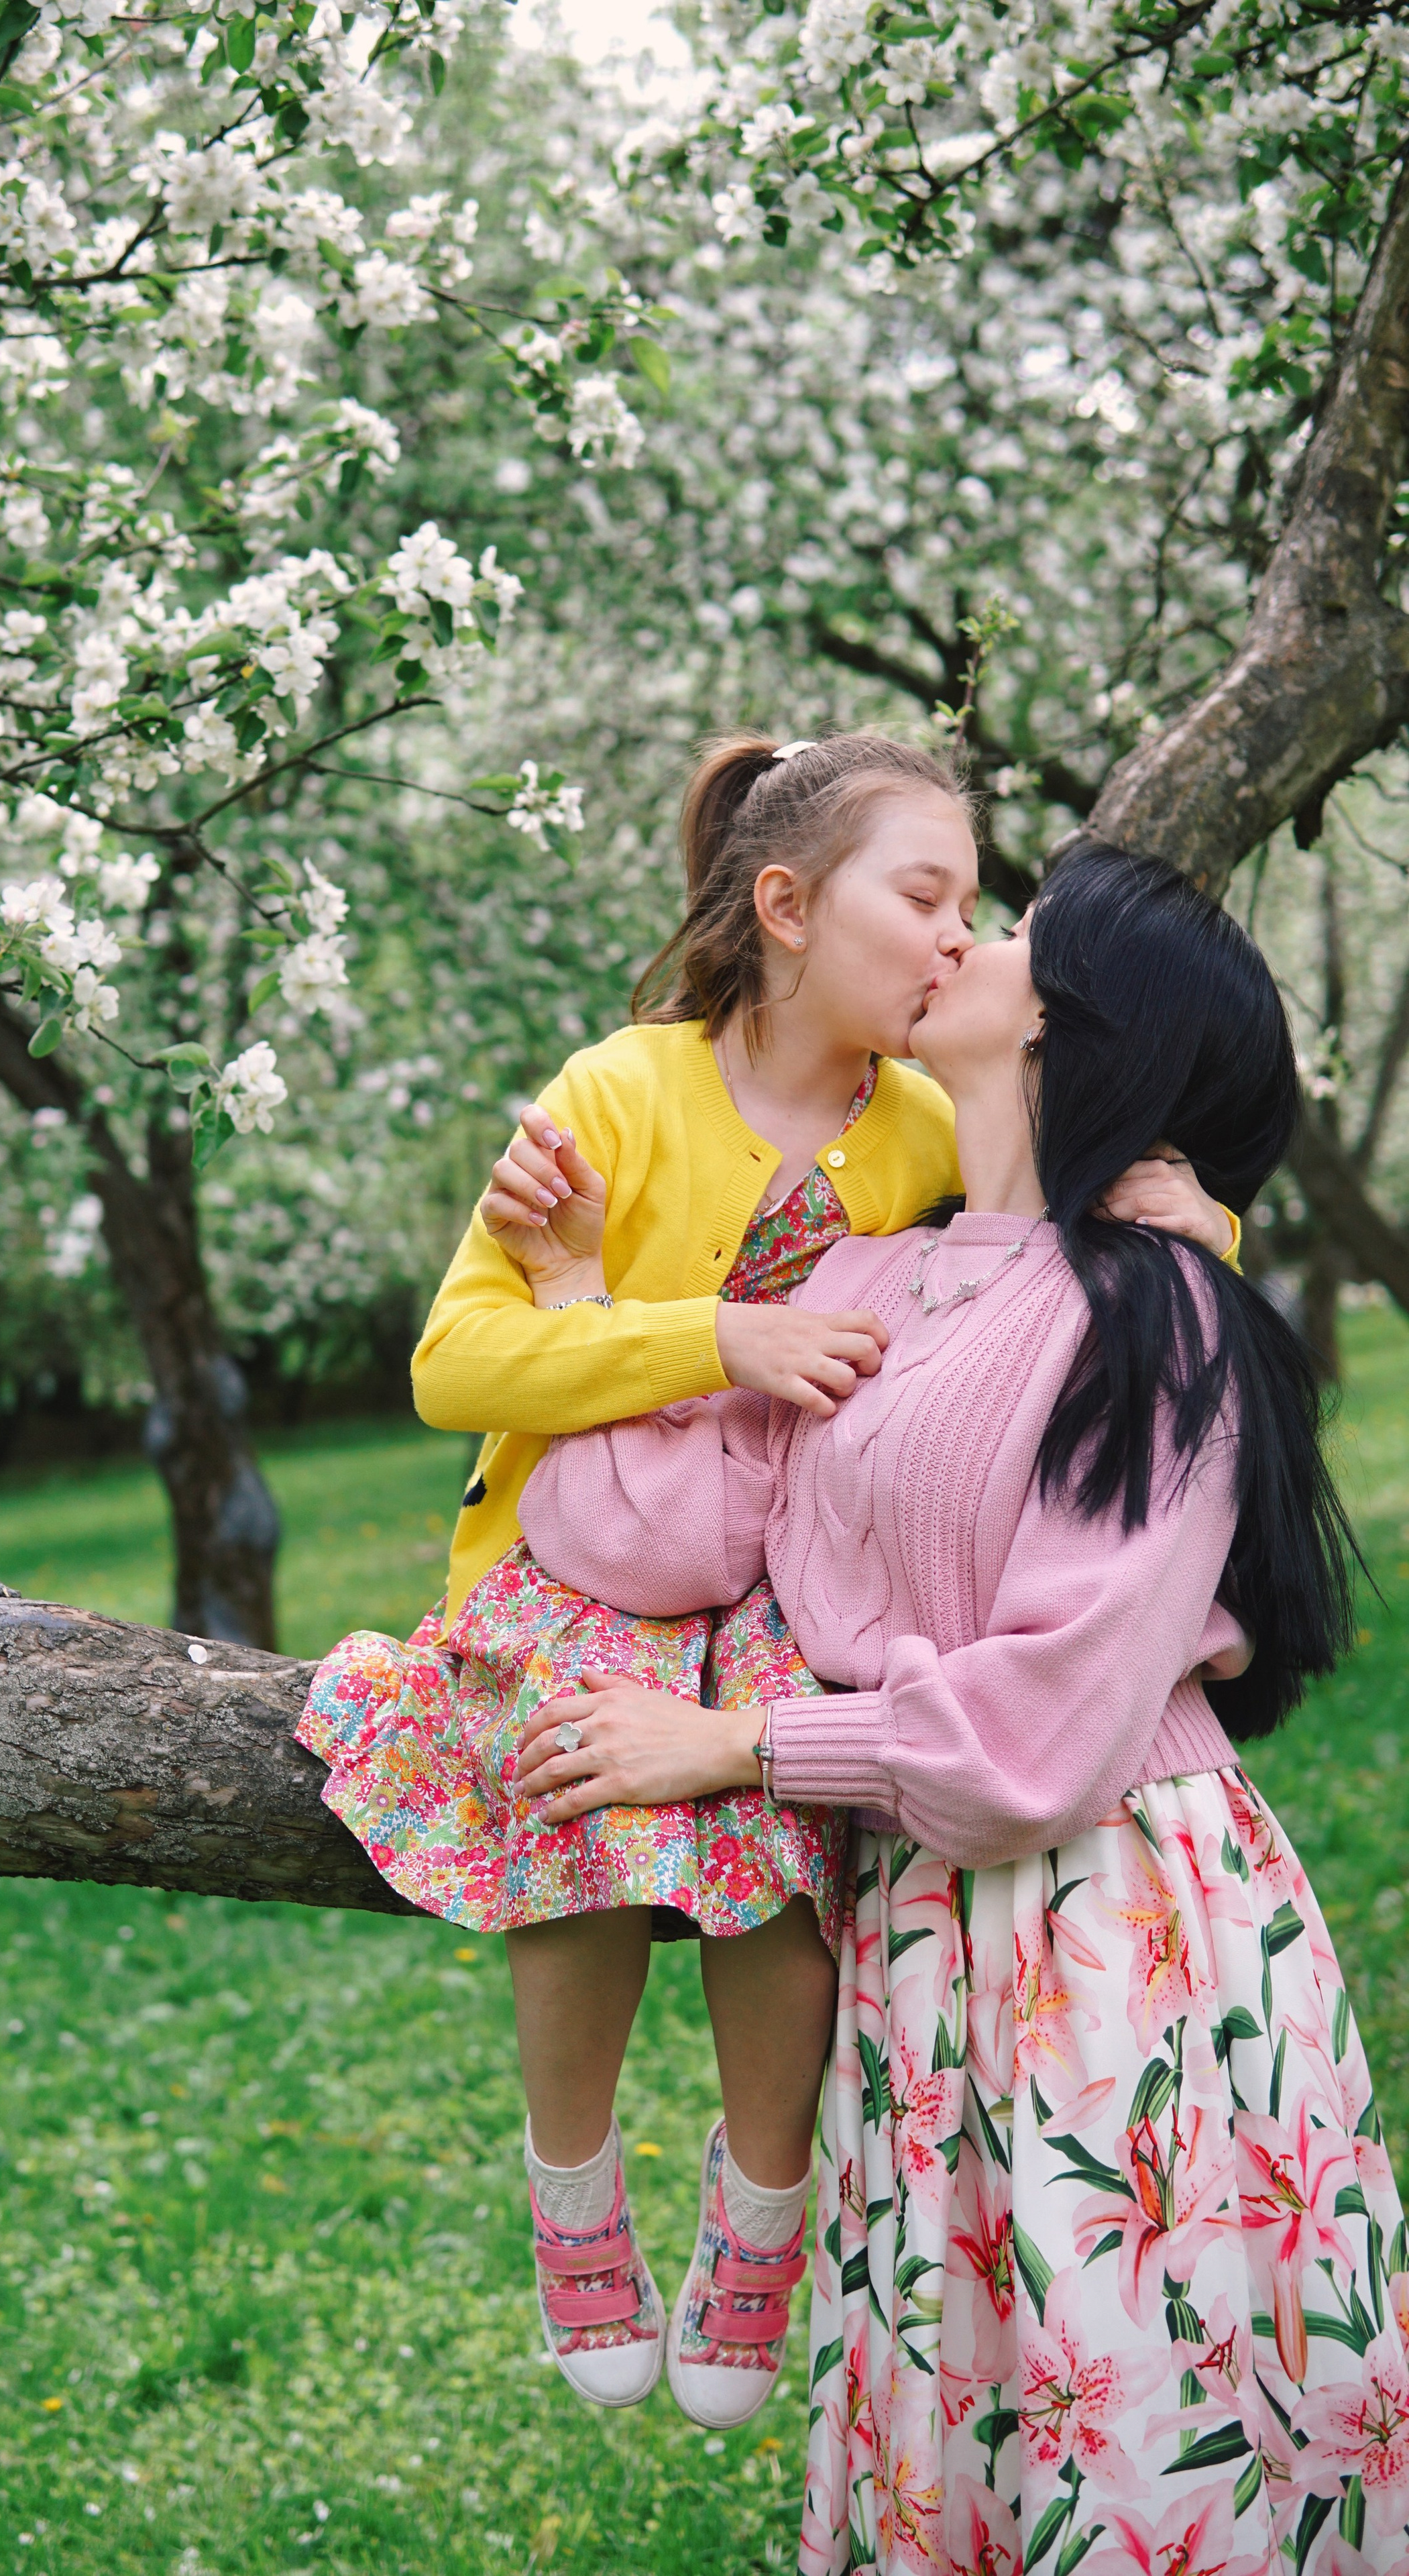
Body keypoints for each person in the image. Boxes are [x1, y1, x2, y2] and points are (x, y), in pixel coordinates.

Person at [298, 735, 1234, 2428]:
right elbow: (454, 1365)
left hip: (772, 1584)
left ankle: (760, 2211)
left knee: (781, 1875)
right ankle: (570, 2198)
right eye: (926, 899)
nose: (959, 939)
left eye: (973, 905)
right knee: (576, 1813)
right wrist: (698, 1331)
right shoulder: (619, 1093)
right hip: (580, 1553)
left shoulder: (930, 1123)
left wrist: (1200, 1232)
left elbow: (1052, 1239)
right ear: (787, 906)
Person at [512, 846, 1403, 2573]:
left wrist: (748, 1747)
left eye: (1004, 934)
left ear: (1073, 1032)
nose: (954, 944)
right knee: (968, 2421)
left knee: (1137, 2417)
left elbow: (1056, 1726)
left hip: (1114, 1934)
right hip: (920, 1939)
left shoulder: (1163, 1318)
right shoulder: (862, 1282)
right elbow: (683, 1543)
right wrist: (575, 1314)